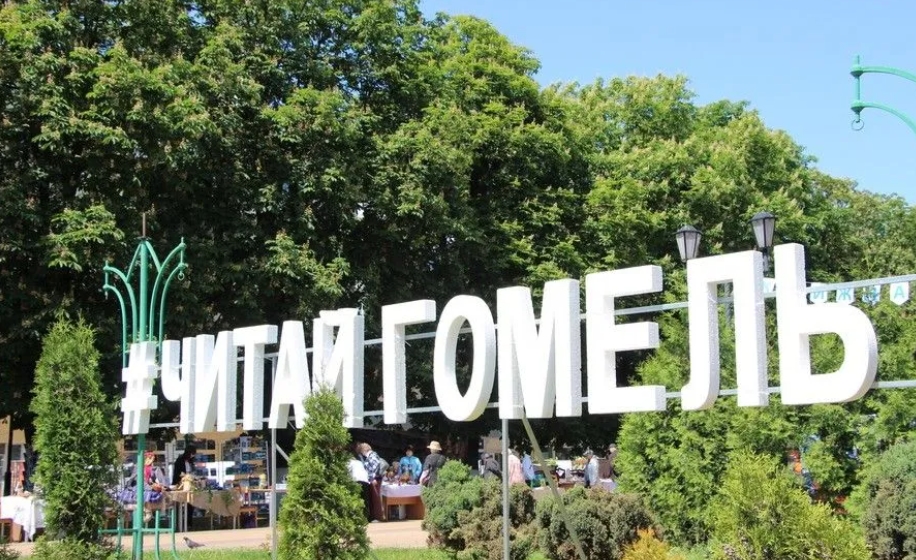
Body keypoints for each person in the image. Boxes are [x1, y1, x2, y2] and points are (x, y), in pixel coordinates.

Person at [348, 451, 372, 522]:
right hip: (365, 480)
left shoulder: (349, 462)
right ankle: (367, 517)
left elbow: (347, 472)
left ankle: (356, 517)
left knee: (356, 498)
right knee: (365, 499)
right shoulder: (359, 462)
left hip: (355, 480)